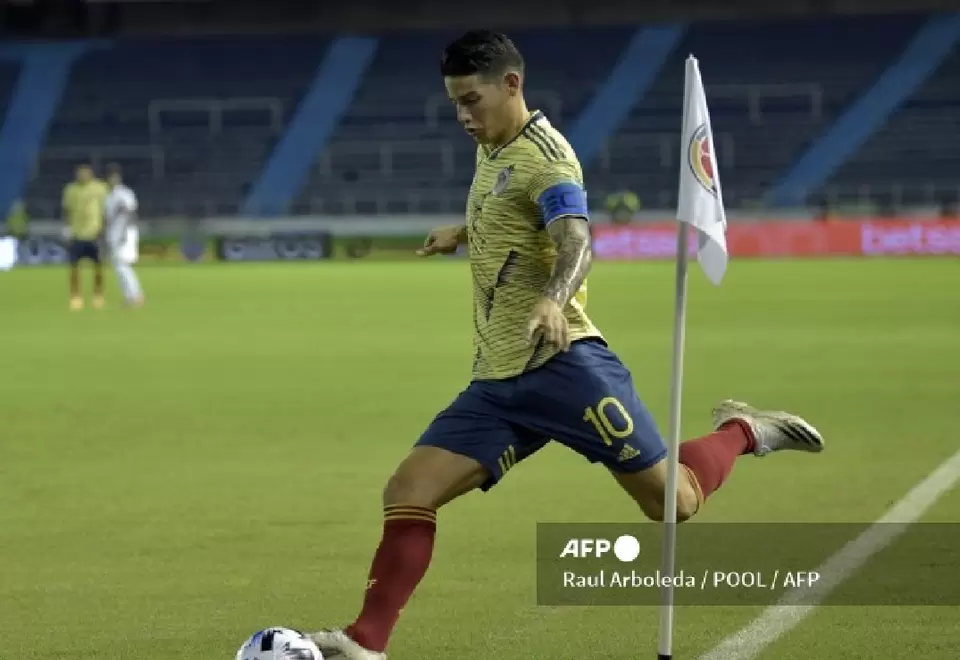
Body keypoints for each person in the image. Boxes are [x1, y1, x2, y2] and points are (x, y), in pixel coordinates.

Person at [310, 30, 824, 660]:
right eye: (454, 104)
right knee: (407, 491)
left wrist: (554, 297)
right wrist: (463, 231)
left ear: (512, 85)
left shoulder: (549, 158)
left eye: (472, 100)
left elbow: (575, 238)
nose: (463, 115)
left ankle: (742, 430)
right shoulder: (493, 146)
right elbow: (512, 218)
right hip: (499, 381)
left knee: (675, 505)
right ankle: (366, 643)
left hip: (567, 367)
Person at [62, 163, 109, 310]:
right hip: (77, 234)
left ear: (91, 174)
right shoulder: (70, 190)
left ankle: (98, 295)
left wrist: (104, 229)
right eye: (79, 173)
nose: (82, 176)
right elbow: (67, 211)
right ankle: (76, 297)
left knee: (98, 267)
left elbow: (106, 210)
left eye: (84, 173)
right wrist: (67, 230)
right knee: (74, 268)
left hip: (94, 233)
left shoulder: (100, 188)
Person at [104, 163, 144, 307]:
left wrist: (126, 234)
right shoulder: (109, 197)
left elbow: (131, 213)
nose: (112, 179)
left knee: (122, 265)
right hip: (113, 235)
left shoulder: (125, 193)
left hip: (125, 234)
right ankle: (129, 296)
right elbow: (108, 219)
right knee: (118, 266)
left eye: (114, 176)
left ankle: (136, 295)